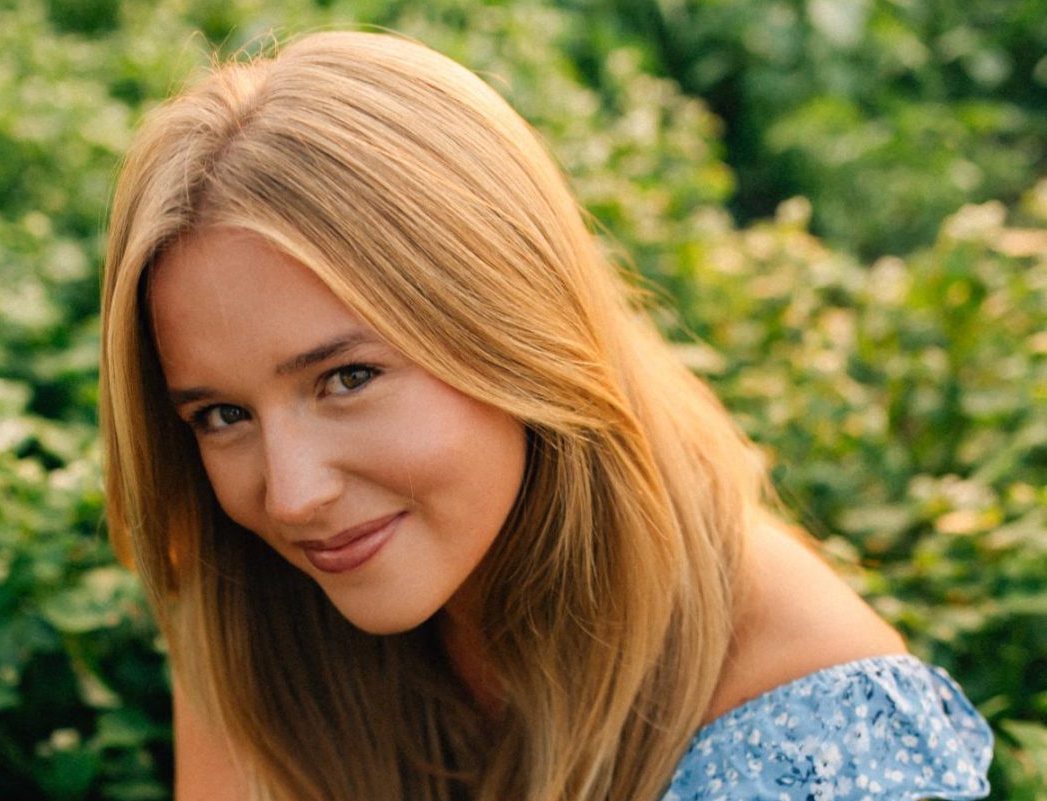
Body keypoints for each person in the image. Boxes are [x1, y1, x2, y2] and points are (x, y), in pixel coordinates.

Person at [99, 31, 993, 801]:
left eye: (348, 377)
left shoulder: (813, 725)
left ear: (513, 330)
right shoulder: (254, 607)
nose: (291, 496)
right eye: (220, 414)